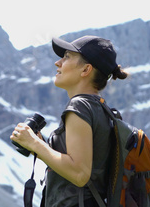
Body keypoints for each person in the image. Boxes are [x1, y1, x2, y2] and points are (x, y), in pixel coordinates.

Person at [10, 35, 129, 207]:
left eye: (67, 57)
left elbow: (80, 174)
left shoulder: (79, 106)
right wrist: (41, 144)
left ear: (86, 70)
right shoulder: (101, 109)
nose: (57, 63)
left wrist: (34, 144)